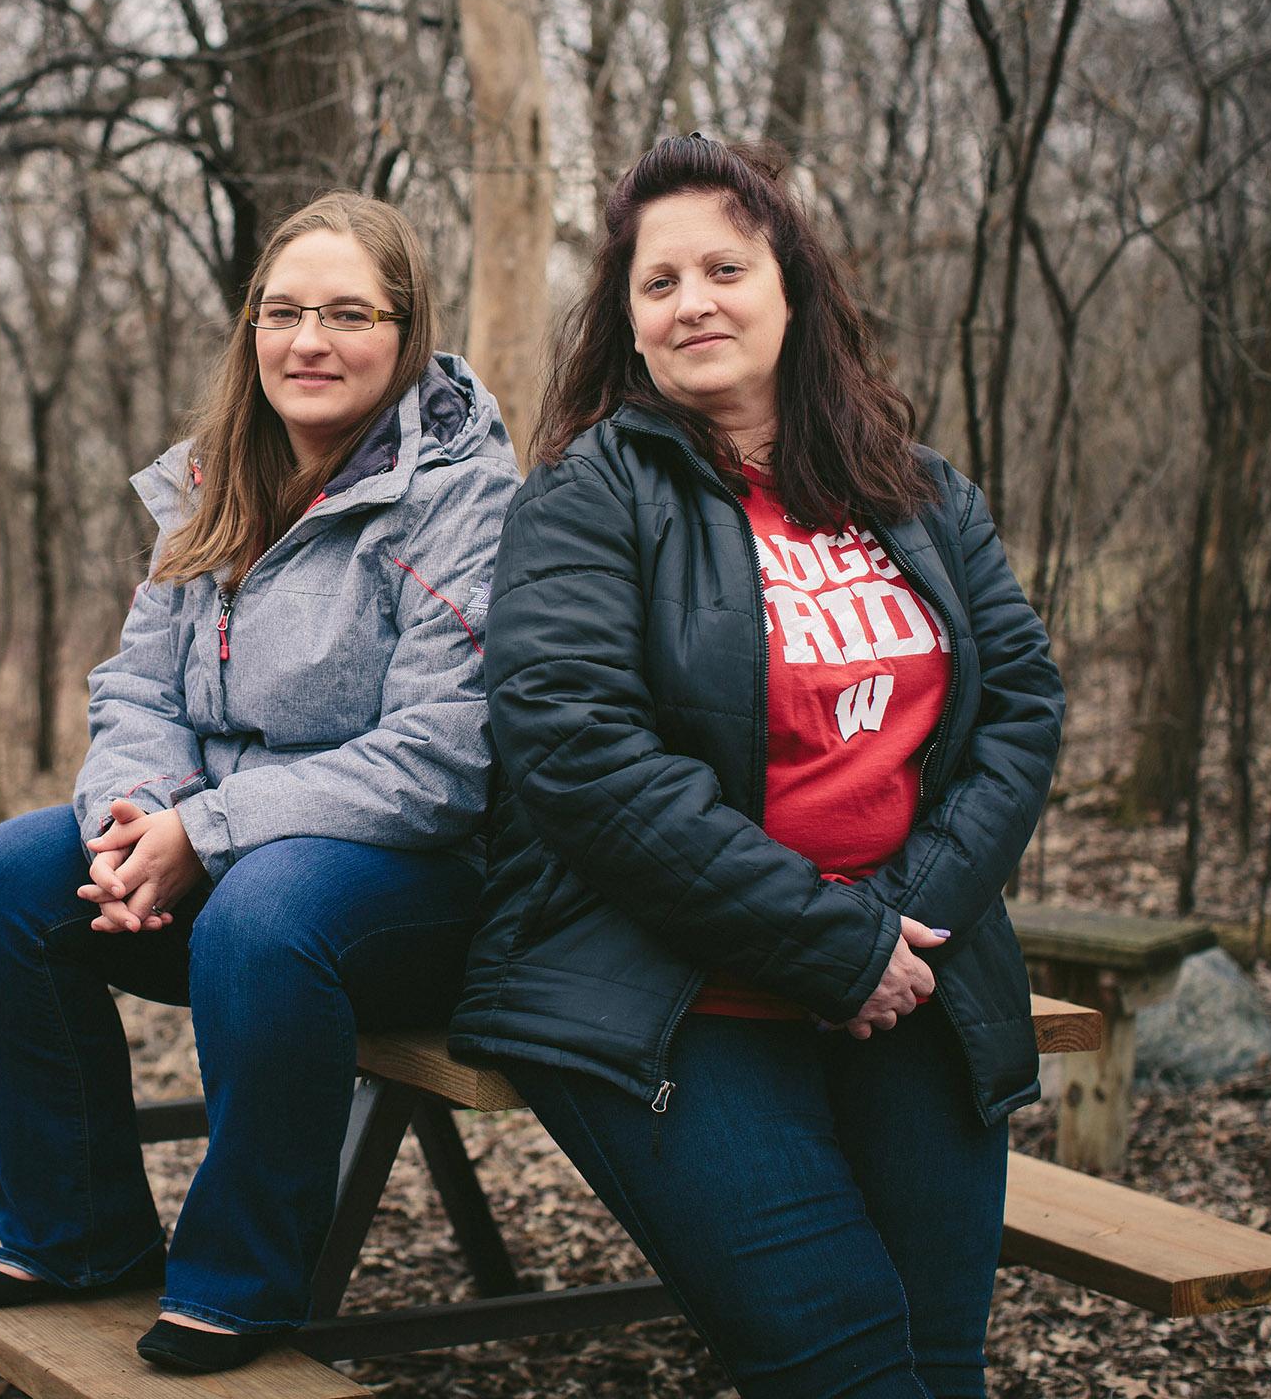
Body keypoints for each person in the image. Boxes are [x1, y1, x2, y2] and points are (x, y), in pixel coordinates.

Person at [449, 136, 1064, 1399]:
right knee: (838, 1353)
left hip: (916, 979)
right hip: (678, 997)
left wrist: (896, 924)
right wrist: (823, 942)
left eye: (722, 267)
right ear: (628, 323)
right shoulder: (585, 497)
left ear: (789, 287)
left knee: (938, 1364)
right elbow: (574, 752)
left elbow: (1020, 709)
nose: (693, 303)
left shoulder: (918, 493)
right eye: (657, 283)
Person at [0, 192, 518, 1375]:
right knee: (3, 881)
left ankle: (241, 1283)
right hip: (211, 847)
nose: (310, 340)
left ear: (406, 334)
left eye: (348, 313)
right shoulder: (217, 480)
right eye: (283, 311)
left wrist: (206, 830)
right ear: (250, 329)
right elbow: (136, 687)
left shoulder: (466, 499)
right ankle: (75, 1233)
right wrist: (132, 817)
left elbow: (444, 757)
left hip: (414, 890)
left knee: (262, 913)